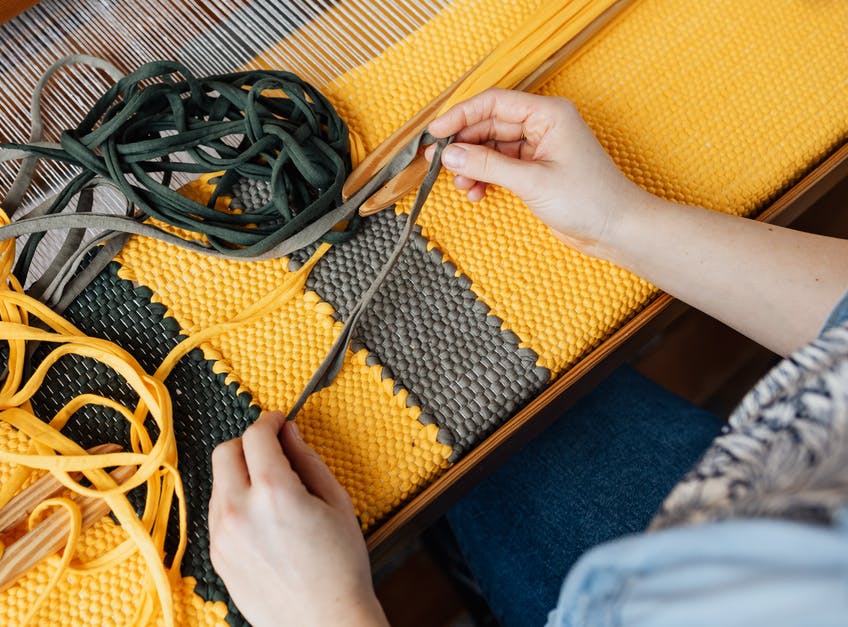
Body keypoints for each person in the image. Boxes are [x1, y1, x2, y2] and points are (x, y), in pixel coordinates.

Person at [207, 89, 848, 626]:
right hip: (766, 524)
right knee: (494, 423)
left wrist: (328, 613)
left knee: (461, 424)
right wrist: (617, 219)